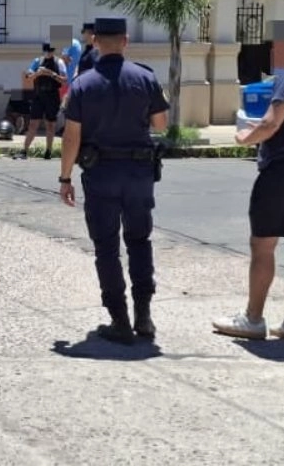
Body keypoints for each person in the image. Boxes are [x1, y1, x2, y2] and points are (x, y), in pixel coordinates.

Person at [59, 18, 169, 344]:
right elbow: (161, 124)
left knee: (106, 247)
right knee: (139, 241)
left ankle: (119, 320)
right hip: (139, 174)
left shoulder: (82, 85)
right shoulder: (145, 77)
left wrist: (65, 177)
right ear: (125, 40)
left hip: (101, 174)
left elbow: (71, 138)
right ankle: (144, 317)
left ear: (94, 42)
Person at [213, 53, 284, 346]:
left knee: (263, 244)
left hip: (282, 172)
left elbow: (271, 122)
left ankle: (253, 318)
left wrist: (245, 138)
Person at [16, 42, 67, 160]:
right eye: (46, 51)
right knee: (33, 124)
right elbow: (28, 76)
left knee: (50, 124)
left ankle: (48, 151)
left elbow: (64, 81)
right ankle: (24, 151)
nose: (48, 54)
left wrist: (51, 74)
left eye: (50, 51)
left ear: (53, 51)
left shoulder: (59, 62)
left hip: (52, 95)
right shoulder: (37, 61)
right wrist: (38, 73)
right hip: (38, 95)